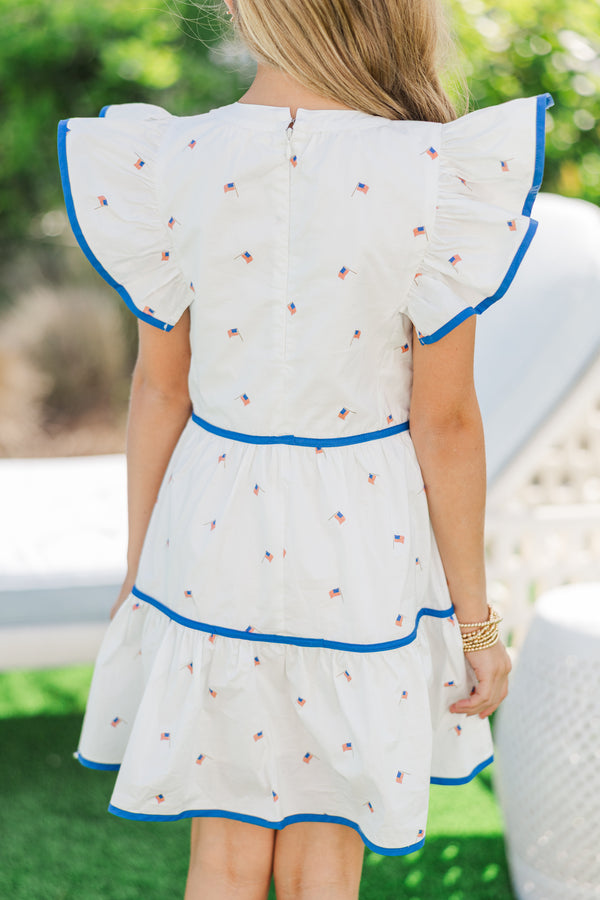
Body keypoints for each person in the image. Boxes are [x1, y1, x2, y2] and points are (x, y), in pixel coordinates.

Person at [57, 0, 553, 897]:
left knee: (223, 850)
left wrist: (141, 570)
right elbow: (444, 423)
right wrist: (477, 626)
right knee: (329, 844)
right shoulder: (437, 172)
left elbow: (160, 390)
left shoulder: (168, 159)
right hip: (360, 539)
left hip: (211, 526)